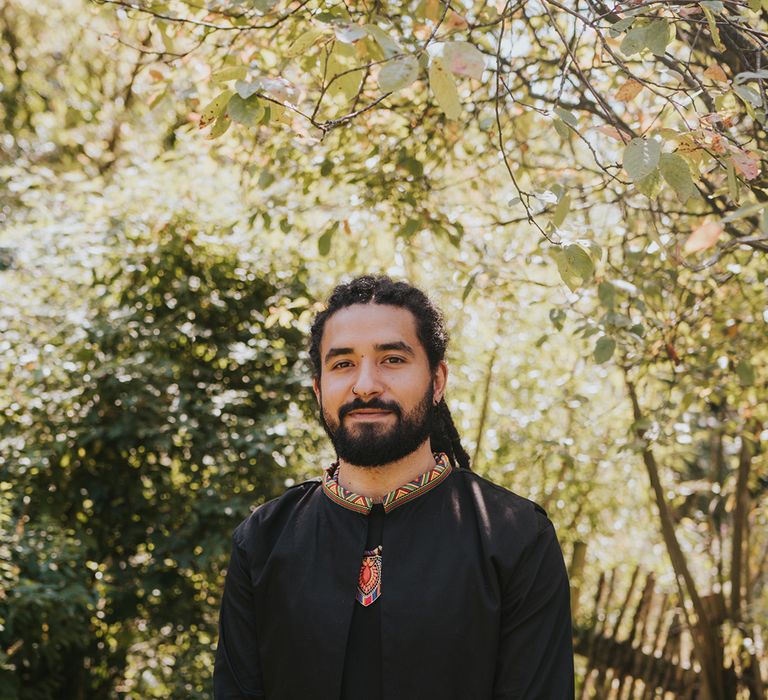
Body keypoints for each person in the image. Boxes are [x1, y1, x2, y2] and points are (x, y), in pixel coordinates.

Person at [213, 275, 574, 699]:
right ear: (318, 388)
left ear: (437, 381)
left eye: (392, 360)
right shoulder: (262, 540)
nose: (365, 384)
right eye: (343, 363)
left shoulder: (515, 538)